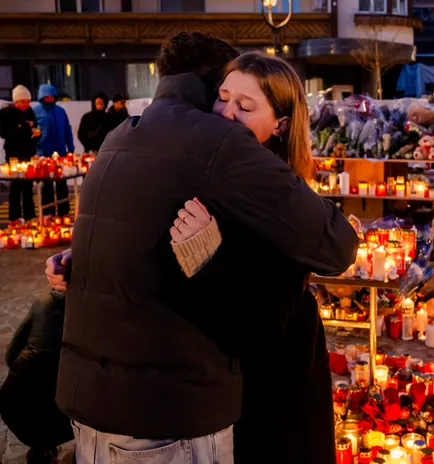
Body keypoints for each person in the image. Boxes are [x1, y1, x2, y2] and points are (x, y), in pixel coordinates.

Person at [54, 32, 358, 464]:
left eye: (246, 106)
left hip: (272, 407)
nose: (227, 114)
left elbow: (269, 322)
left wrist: (209, 259)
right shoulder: (209, 159)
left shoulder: (265, 190)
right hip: (177, 403)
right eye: (223, 98)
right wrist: (80, 263)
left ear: (281, 123)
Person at [0, 290, 73, 464]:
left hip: (15, 403)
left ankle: (42, 452)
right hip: (63, 409)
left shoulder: (44, 303)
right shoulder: (91, 310)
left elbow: (10, 356)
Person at [33, 83, 73, 217]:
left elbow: (67, 130)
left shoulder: (60, 111)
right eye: (46, 97)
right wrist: (35, 151)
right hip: (44, 154)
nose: (49, 99)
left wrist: (70, 149)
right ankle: (48, 213)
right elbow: (32, 133)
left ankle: (64, 212)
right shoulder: (36, 112)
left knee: (62, 183)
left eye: (51, 96)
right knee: (47, 186)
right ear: (42, 97)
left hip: (61, 153)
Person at [0, 85, 39, 221]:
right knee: (16, 186)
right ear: (16, 101)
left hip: (28, 152)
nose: (26, 105)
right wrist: (23, 128)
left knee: (28, 186)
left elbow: (34, 128)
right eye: (23, 102)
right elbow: (4, 133)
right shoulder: (7, 113)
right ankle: (14, 217)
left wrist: (36, 134)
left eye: (28, 102)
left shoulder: (30, 112)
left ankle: (29, 215)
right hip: (14, 154)